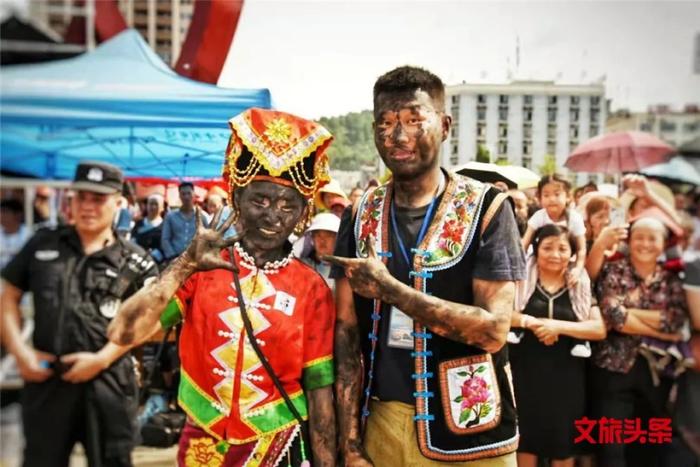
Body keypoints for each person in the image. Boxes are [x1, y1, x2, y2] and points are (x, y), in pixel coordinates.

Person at [108, 108, 337, 467]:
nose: (272, 216)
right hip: (203, 443)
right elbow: (124, 332)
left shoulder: (313, 289)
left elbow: (320, 386)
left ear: (302, 213)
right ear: (237, 200)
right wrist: (183, 264)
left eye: (287, 205)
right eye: (259, 200)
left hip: (277, 444)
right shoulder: (198, 271)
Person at [326, 66, 526, 466]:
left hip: (470, 434)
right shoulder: (361, 213)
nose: (398, 137)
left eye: (415, 121)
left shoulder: (486, 209)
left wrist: (392, 291)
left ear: (445, 125)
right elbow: (346, 332)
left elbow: (493, 330)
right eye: (386, 123)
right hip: (379, 422)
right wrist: (349, 444)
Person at [0, 161, 158, 467]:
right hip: (48, 380)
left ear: (118, 202)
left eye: (98, 199)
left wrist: (102, 358)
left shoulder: (136, 261)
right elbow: (8, 298)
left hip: (109, 384)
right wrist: (20, 353)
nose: (87, 206)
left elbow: (148, 321)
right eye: (81, 197)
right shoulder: (43, 244)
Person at [591, 216, 689, 467]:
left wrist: (630, 312)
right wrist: (660, 330)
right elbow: (614, 317)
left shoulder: (670, 279)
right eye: (639, 237)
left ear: (662, 243)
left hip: (657, 373)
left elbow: (675, 320)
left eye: (652, 238)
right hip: (613, 369)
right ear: (630, 241)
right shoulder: (613, 270)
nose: (645, 244)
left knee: (649, 445)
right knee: (611, 447)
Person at [508, 225, 605, 467]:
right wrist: (532, 323)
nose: (554, 254)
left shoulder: (580, 283)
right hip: (525, 375)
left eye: (562, 248)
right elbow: (502, 314)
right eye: (547, 247)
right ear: (536, 250)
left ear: (572, 254)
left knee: (563, 445)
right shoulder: (521, 280)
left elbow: (598, 329)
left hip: (567, 378)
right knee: (525, 441)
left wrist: (556, 327)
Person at [522, 174, 587, 286]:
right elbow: (524, 243)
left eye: (557, 194)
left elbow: (581, 249)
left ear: (568, 197)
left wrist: (578, 268)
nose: (551, 199)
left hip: (567, 262)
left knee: (582, 282)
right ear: (540, 198)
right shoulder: (538, 217)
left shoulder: (574, 218)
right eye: (546, 195)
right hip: (540, 262)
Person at [161, 182, 209, 261]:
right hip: (174, 259)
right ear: (179, 196)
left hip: (195, 260)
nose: (186, 197)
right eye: (183, 194)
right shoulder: (170, 216)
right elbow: (165, 239)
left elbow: (207, 238)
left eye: (189, 193)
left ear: (193, 195)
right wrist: (172, 256)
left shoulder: (202, 216)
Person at [297, 212, 341, 291]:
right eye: (318, 235)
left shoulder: (344, 270)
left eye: (328, 235)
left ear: (337, 239)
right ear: (312, 238)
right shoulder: (301, 266)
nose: (322, 240)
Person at [131, 194, 165, 263]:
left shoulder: (164, 226)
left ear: (162, 208)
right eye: (150, 204)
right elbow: (133, 239)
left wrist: (151, 257)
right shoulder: (139, 223)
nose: (152, 206)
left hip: (154, 261)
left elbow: (164, 246)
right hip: (136, 258)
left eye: (156, 204)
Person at [0, 199, 30, 270]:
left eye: (5, 212)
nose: (1, 215)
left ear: (18, 215)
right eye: (0, 212)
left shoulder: (29, 234)